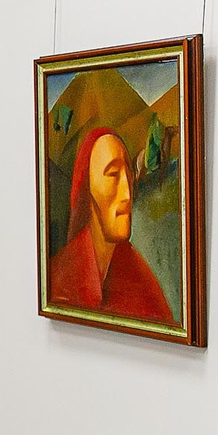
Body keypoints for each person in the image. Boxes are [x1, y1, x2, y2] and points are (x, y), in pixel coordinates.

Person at [46, 127, 175, 322]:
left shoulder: (143, 284)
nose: (127, 194)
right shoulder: (58, 280)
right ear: (87, 190)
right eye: (113, 174)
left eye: (129, 174)